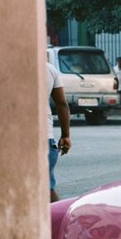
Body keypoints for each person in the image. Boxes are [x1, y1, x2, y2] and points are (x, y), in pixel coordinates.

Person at [46, 59, 72, 203]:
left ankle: (61, 223)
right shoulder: (49, 69)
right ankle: (61, 222)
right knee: (47, 188)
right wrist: (66, 135)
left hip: (18, 138)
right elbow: (62, 104)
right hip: (46, 138)